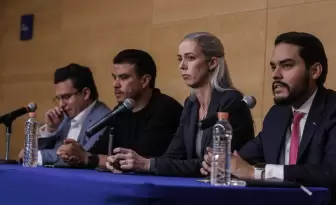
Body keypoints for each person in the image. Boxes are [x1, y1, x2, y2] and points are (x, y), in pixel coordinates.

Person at [201, 32, 336, 205]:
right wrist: (222, 162)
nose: (276, 75)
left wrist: (255, 172)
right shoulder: (277, 114)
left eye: (287, 65)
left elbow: (332, 174)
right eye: (274, 67)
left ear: (315, 71)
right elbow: (245, 156)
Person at [105, 32, 255, 177]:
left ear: (212, 63)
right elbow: (174, 155)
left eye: (190, 58)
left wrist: (147, 164)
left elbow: (214, 163)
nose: (182, 66)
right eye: (180, 59)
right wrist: (129, 162)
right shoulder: (191, 105)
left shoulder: (231, 102)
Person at [56, 49, 183, 169]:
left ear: (144, 81)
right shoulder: (121, 110)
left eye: (123, 78)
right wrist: (78, 153)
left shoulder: (165, 110)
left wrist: (87, 157)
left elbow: (138, 162)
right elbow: (97, 151)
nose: (115, 84)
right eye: (114, 78)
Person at [18, 63, 111, 166]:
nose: (61, 105)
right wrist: (50, 129)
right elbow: (32, 155)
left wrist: (35, 155)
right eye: (59, 98)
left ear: (85, 93)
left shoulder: (104, 118)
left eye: (66, 97)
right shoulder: (64, 117)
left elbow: (76, 157)